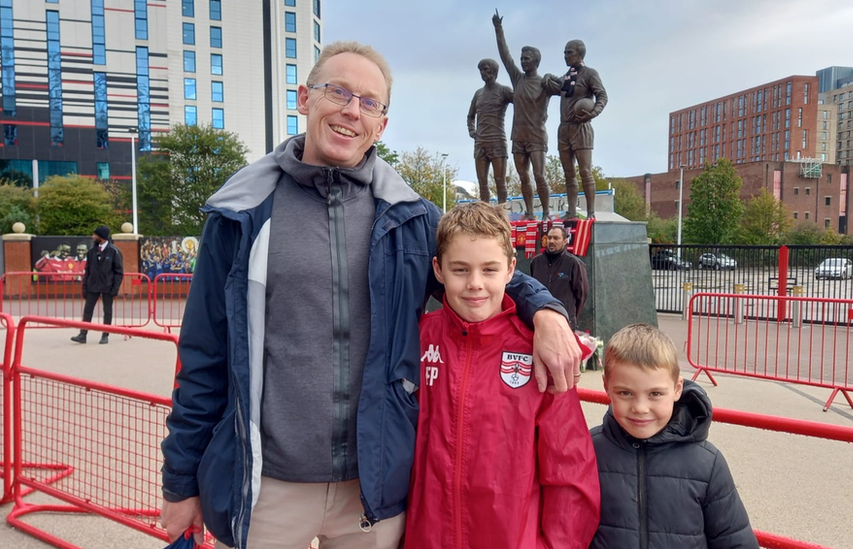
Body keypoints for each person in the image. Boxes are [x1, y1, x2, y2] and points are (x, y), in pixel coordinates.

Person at [159, 41, 581, 549]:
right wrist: (180, 480)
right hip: (268, 485)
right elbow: (203, 353)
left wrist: (548, 312)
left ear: (382, 123)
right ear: (304, 98)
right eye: (337, 91)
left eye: (369, 102)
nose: (351, 110)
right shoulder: (242, 213)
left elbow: (485, 271)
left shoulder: (412, 217)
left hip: (375, 489)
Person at [403, 201, 600, 549]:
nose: (475, 284)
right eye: (460, 270)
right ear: (438, 269)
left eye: (489, 270)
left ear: (511, 270)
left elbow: (569, 471)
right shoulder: (416, 340)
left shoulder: (538, 350)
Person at [590, 324, 759, 549]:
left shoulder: (707, 463)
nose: (640, 408)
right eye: (625, 393)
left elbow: (734, 540)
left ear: (677, 389)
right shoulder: (588, 451)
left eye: (655, 394)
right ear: (606, 387)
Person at [492, 10, 559, 220]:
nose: (523, 61)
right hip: (518, 136)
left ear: (536, 61)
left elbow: (565, 88)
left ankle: (546, 213)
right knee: (523, 177)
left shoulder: (544, 83)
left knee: (539, 176)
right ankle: (530, 213)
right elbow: (505, 55)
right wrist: (498, 28)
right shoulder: (517, 79)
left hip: (537, 136)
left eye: (527, 58)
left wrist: (554, 78)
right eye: (522, 58)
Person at [544, 40, 608, 219]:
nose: (565, 56)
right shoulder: (566, 78)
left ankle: (591, 213)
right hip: (564, 129)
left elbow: (602, 95)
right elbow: (554, 87)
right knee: (568, 173)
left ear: (580, 54)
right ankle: (571, 212)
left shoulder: (589, 74)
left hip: (581, 128)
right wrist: (548, 78)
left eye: (569, 53)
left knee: (585, 172)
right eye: (564, 53)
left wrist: (593, 113)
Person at [467, 58, 514, 204]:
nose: (482, 73)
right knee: (482, 182)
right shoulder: (478, 94)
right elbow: (470, 116)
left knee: (500, 181)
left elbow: (522, 103)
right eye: (481, 70)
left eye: (485, 69)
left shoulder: (504, 90)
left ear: (493, 71)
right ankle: (485, 213)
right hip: (480, 143)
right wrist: (472, 131)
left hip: (497, 141)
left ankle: (502, 212)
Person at [70, 225, 123, 345]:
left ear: (101, 237)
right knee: (87, 310)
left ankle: (105, 334)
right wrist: (85, 287)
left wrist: (115, 288)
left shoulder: (114, 251)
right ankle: (83, 334)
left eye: (95, 235)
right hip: (92, 285)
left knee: (107, 311)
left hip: (107, 286)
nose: (93, 236)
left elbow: (119, 272)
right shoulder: (91, 252)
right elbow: (87, 270)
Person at [530, 225, 588, 331]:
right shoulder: (536, 262)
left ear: (565, 241)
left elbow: (581, 295)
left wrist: (570, 315)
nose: (551, 241)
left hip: (564, 322)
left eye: (556, 238)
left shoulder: (574, 263)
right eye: (549, 238)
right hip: (540, 321)